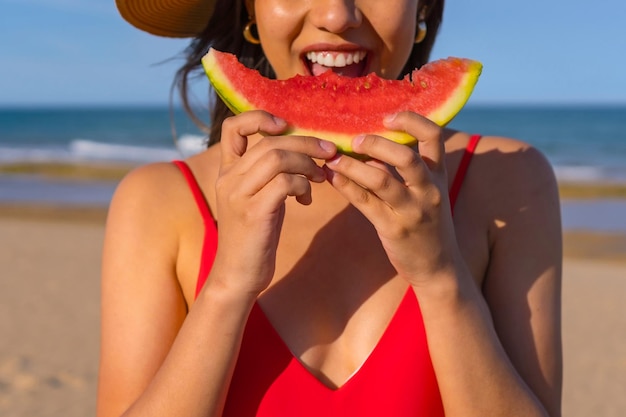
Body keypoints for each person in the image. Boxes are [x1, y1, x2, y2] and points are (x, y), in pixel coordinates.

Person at [98, 0, 563, 416]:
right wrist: (227, 287)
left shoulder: (511, 184)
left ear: (423, 7)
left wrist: (442, 278)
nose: (336, 15)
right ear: (249, 12)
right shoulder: (159, 200)